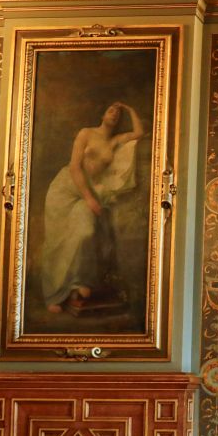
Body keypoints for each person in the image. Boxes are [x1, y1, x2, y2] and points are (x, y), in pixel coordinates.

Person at [42, 101, 145, 313]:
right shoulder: (86, 133)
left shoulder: (115, 141)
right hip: (65, 188)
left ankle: (76, 284)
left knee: (84, 233)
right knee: (58, 240)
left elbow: (138, 133)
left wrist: (130, 109)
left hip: (87, 192)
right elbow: (74, 167)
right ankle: (55, 294)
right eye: (111, 109)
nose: (114, 114)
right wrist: (89, 197)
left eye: (118, 113)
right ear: (102, 114)